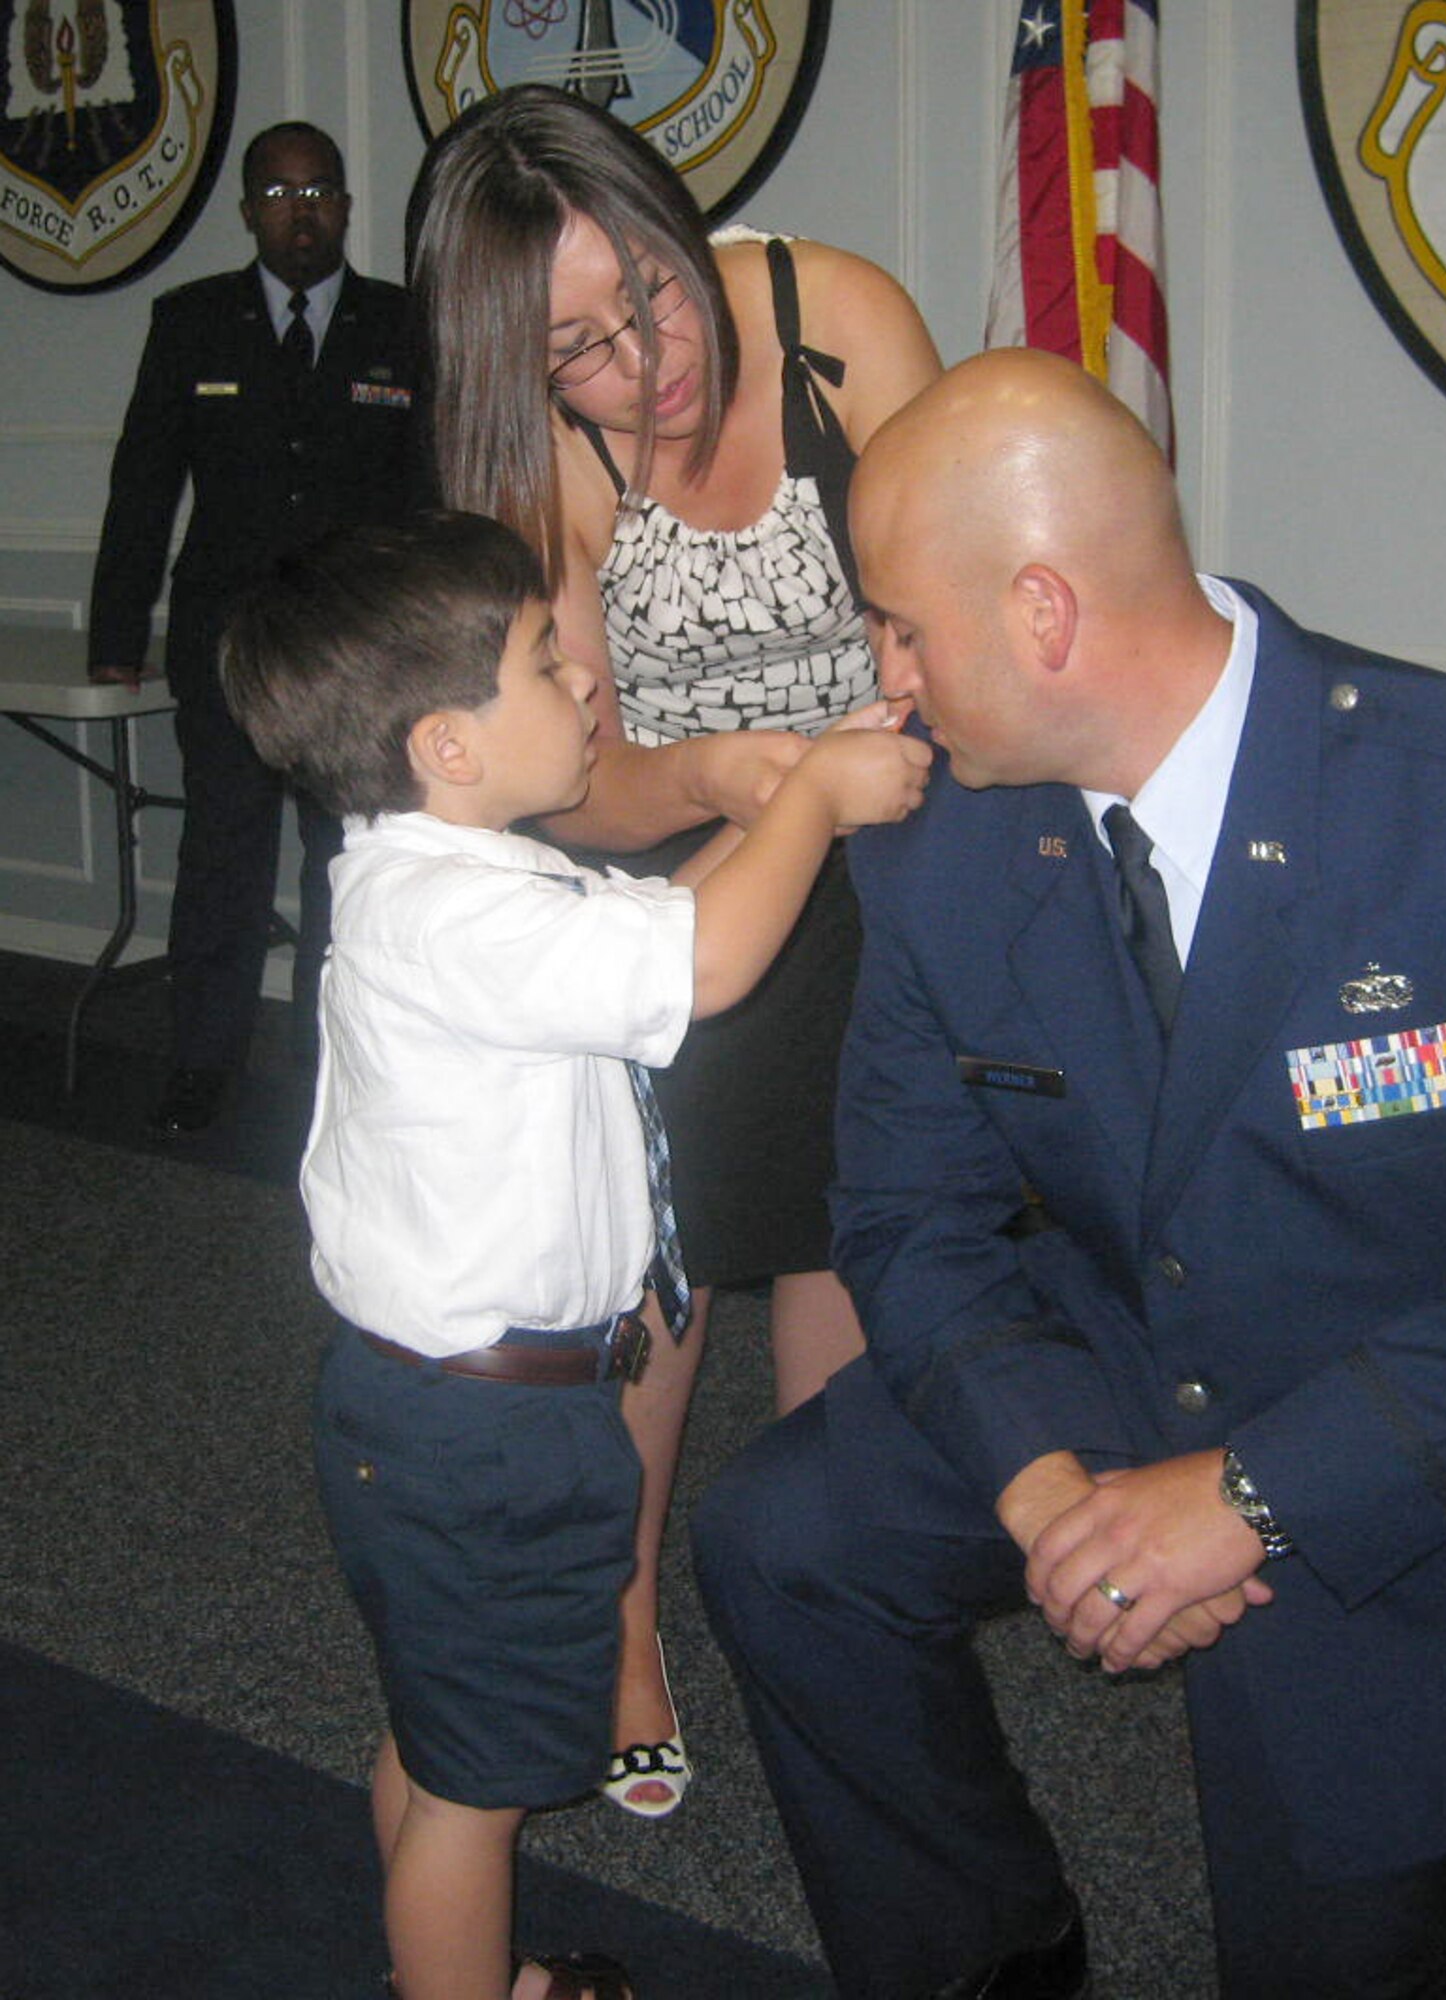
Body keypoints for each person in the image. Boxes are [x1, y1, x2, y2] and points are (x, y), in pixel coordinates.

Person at [690, 350, 1446, 2000]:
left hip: (1445, 1445)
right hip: (1140, 1345)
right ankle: (987, 1951)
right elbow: (907, 1214)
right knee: (783, 1535)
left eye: (900, 624)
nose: (880, 679)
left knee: (1317, 1941)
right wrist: (1045, 1483)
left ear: (1042, 614)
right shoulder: (943, 843)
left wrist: (1257, 1493)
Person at [217, 509, 929, 2000]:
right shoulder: (452, 919)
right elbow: (709, 960)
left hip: (452, 1412)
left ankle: (477, 1965)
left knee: (448, 1726)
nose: (589, 687)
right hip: (487, 1433)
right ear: (447, 746)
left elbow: (659, 917)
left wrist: (788, 789)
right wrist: (812, 812)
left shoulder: (450, 877)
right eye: (548, 666)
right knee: (482, 1793)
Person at [405, 82, 942, 1815]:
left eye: (648, 281)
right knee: (674, 1265)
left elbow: (959, 594)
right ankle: (629, 1613)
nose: (652, 358)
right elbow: (575, 785)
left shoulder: (834, 318)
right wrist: (726, 778)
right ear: (524, 367)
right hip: (670, 883)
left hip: (894, 849)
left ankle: (807, 1577)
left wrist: (888, 736)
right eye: (582, 346)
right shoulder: (542, 459)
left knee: (851, 1235)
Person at [88, 121, 420, 1135]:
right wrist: (114, 628)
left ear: (347, 205)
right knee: (222, 863)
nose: (301, 210)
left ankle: (335, 1069)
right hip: (225, 647)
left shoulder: (402, 325)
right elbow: (144, 484)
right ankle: (202, 1063)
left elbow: (429, 493)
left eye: (318, 190)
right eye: (278, 195)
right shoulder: (190, 321)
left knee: (345, 870)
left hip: (353, 654)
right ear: (247, 211)